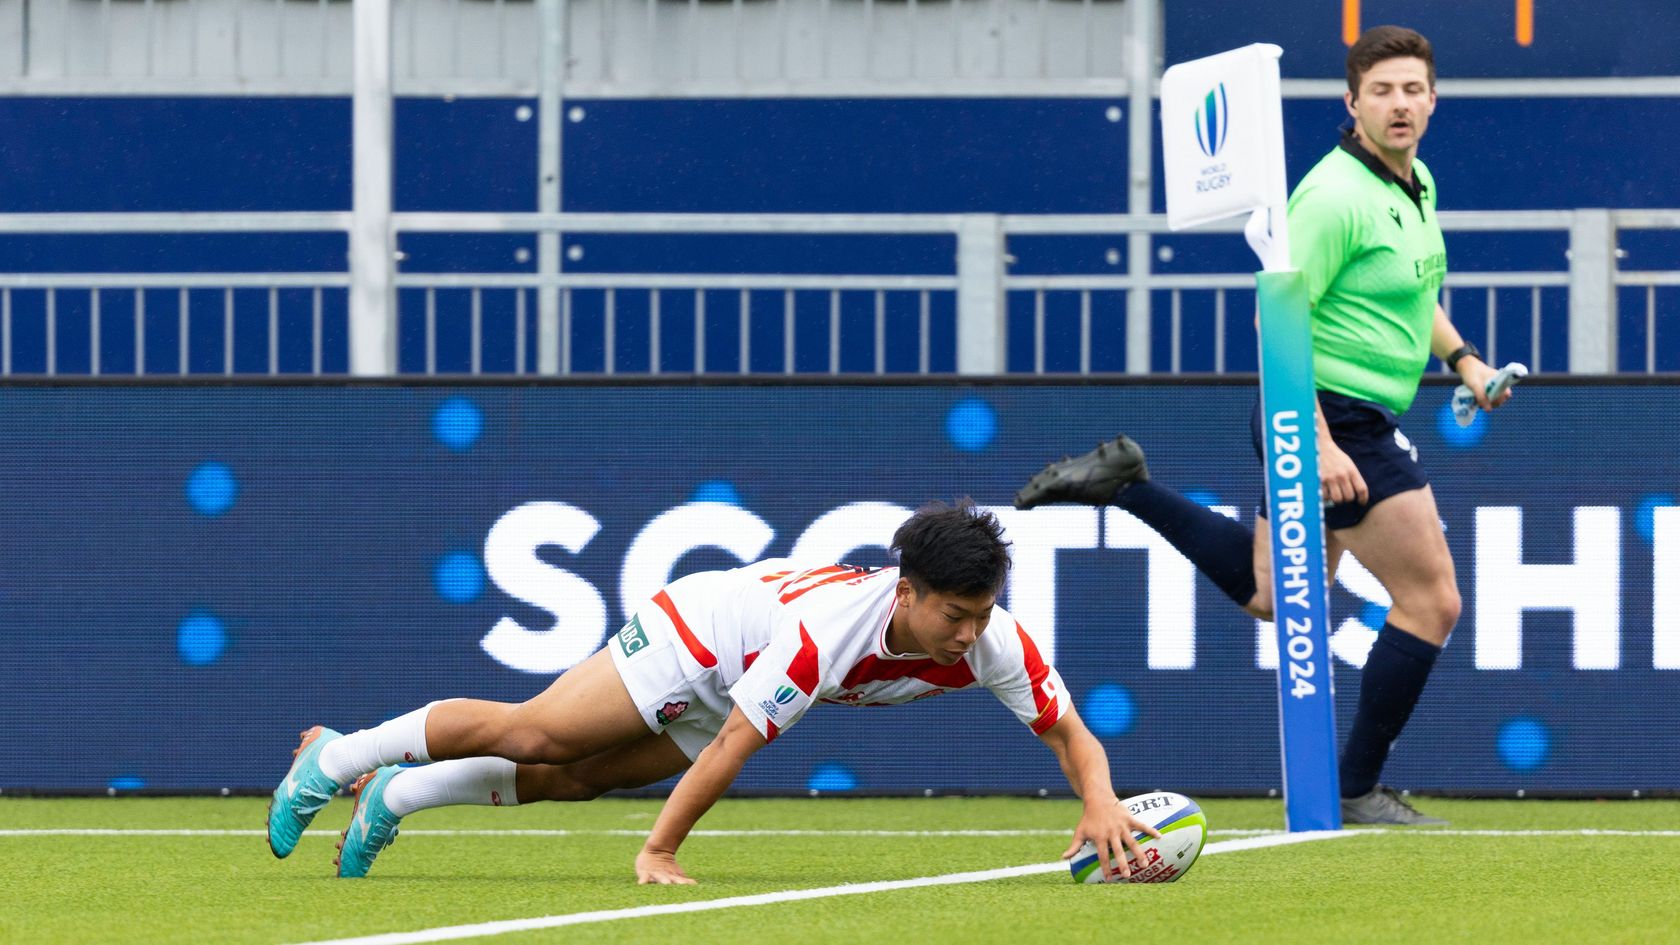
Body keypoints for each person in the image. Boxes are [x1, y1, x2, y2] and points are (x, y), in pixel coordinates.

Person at [1015, 26, 1511, 826]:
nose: (1400, 104)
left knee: (1277, 597)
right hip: (1330, 412)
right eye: (1381, 91)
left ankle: (1130, 487)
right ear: (1351, 103)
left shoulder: (1415, 181)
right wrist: (1312, 439)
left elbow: (1418, 292)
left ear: (1432, 100)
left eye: (1413, 89)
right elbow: (1275, 315)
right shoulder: (1335, 195)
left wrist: (1466, 362)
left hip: (1337, 416)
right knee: (1433, 601)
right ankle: (1355, 789)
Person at [267, 500, 1160, 882]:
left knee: (575, 780)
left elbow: (1070, 732)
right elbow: (736, 742)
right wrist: (658, 851)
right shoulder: (828, 638)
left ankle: (393, 793)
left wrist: (1100, 799)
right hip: (704, 631)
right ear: (908, 591)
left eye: (982, 612)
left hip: (742, 666)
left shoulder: (993, 642)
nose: (970, 632)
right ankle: (332, 759)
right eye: (955, 613)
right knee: (538, 734)